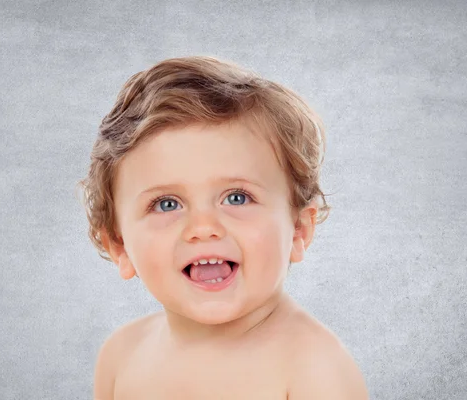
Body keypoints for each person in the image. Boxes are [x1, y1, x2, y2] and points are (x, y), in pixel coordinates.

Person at [78, 55, 369, 399]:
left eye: (236, 198)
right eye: (166, 204)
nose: (203, 228)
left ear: (298, 230)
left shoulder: (313, 369)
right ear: (119, 246)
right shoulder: (122, 356)